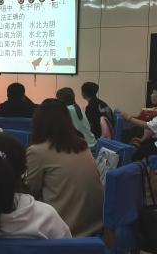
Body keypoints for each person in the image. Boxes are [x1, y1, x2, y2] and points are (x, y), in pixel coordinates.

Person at [26, 99, 103, 237]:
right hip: (95, 227)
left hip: (64, 229)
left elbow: (31, 190)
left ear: (38, 122)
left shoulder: (37, 151)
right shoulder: (82, 145)